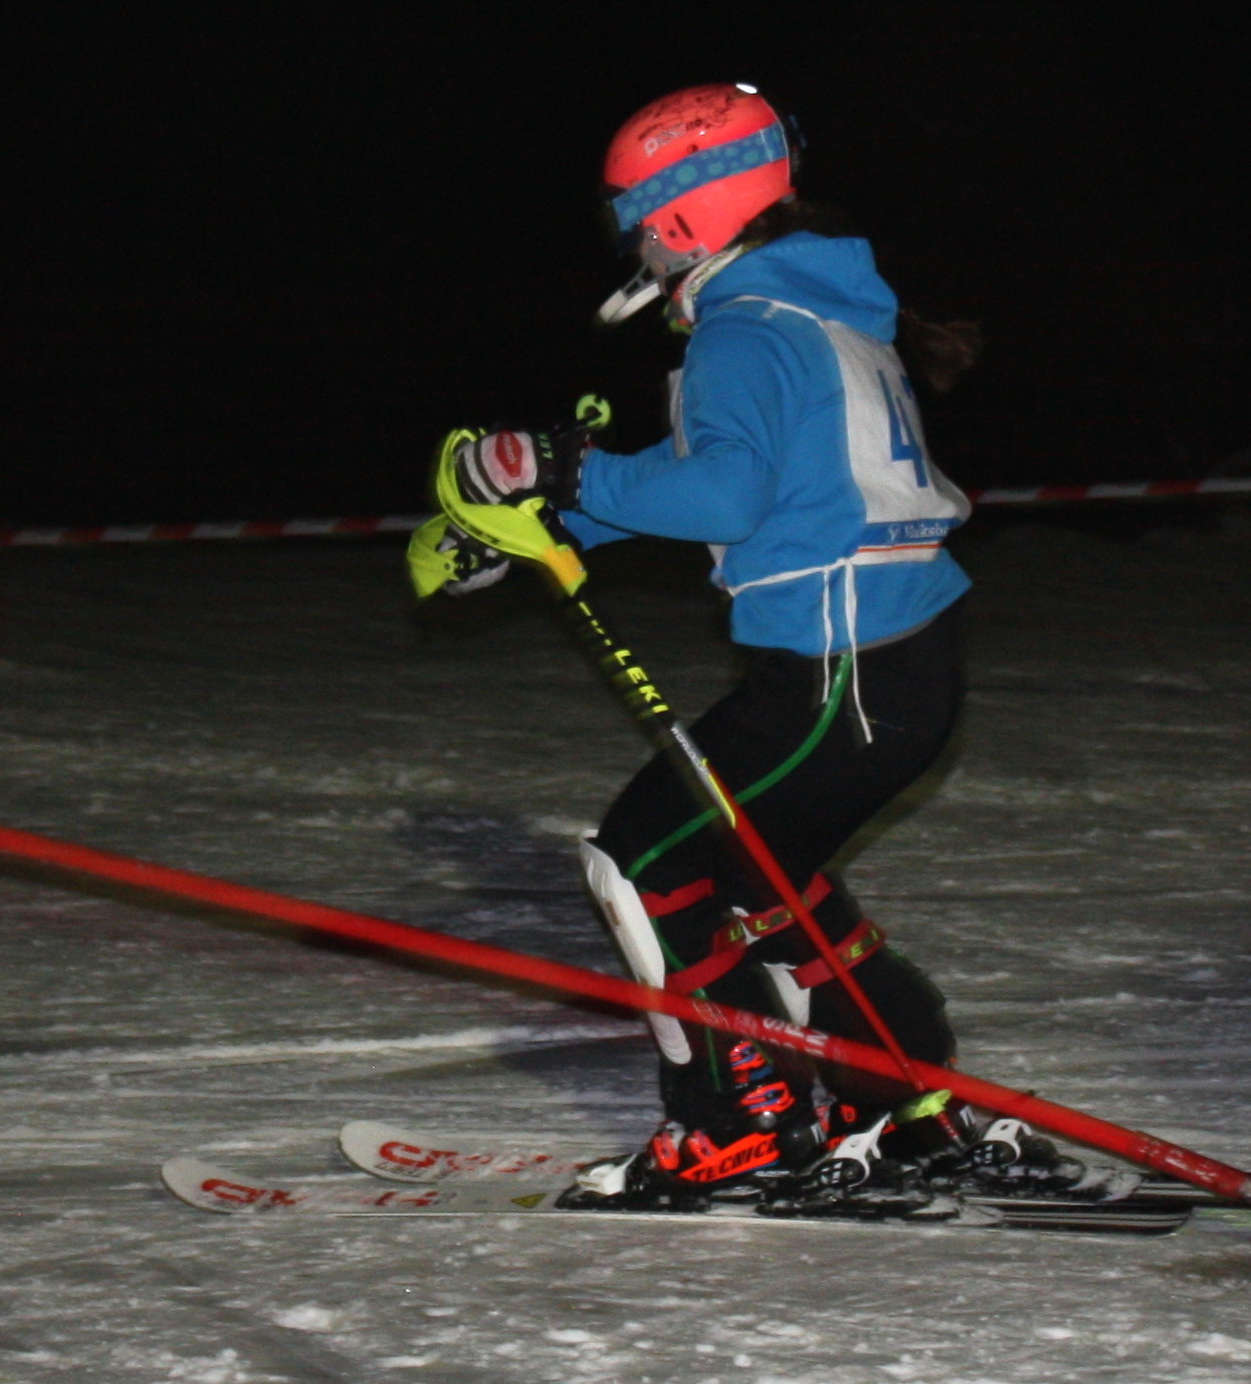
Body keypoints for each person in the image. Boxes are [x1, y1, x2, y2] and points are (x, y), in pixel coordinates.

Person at [439, 83, 1035, 1207]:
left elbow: (722, 489)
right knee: (766, 877)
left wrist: (558, 471)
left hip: (835, 671)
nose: (627, 240)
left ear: (675, 218)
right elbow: (753, 485)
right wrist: (546, 521)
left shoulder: (741, 328)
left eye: (629, 215)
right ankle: (898, 1099)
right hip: (892, 664)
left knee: (647, 858)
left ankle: (734, 1122)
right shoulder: (808, 311)